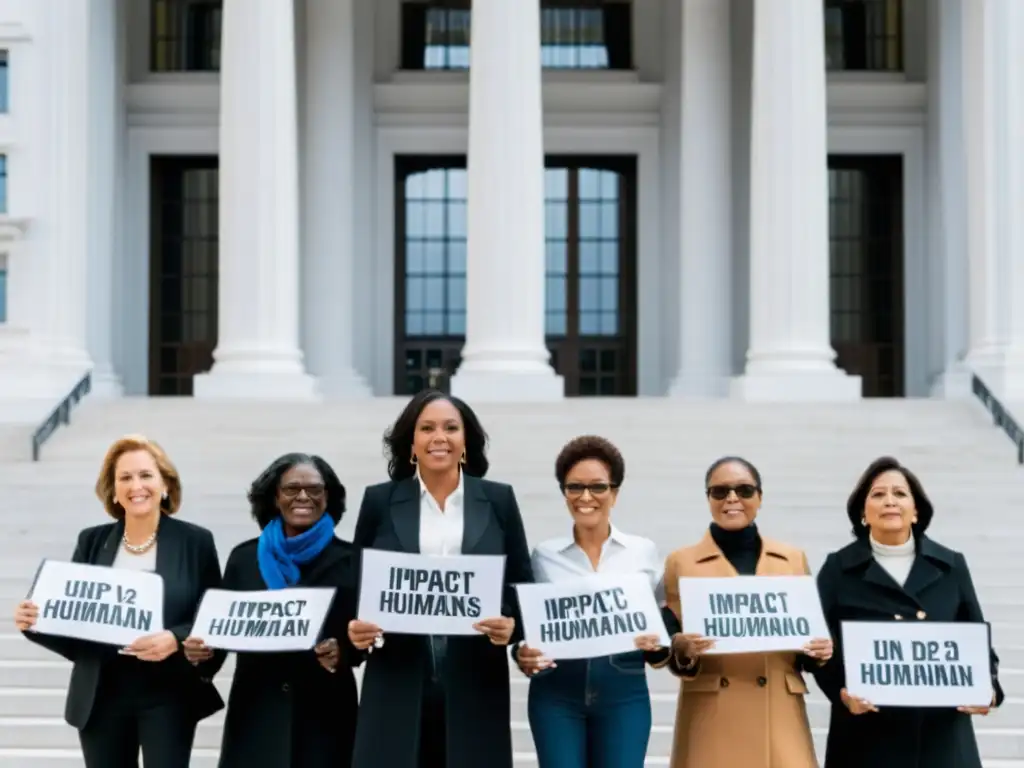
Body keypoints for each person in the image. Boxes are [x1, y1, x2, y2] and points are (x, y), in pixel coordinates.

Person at [346, 389, 534, 768]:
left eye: (451, 428)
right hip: (397, 675)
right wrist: (355, 630)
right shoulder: (380, 501)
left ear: (466, 442)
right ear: (411, 443)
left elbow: (522, 586)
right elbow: (358, 586)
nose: (439, 437)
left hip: (475, 677)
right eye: (427, 427)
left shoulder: (497, 500)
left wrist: (511, 623)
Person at [12, 434, 223, 768]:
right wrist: (36, 622)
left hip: (167, 694)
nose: (136, 485)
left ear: (165, 483)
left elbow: (213, 619)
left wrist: (176, 638)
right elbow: (75, 624)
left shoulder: (195, 541)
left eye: (145, 475)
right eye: (125, 477)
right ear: (112, 489)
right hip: (102, 694)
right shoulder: (92, 541)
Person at [813, 455, 1004, 768]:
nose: (890, 501)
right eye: (878, 494)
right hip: (866, 740)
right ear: (863, 512)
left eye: (900, 494)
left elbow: (977, 642)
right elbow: (816, 648)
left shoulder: (951, 566)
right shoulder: (838, 569)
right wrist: (842, 692)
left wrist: (989, 690)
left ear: (916, 511)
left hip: (940, 741)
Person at [184, 453, 359, 768]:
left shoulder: (351, 561)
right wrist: (202, 652)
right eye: (292, 489)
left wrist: (342, 651)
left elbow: (363, 640)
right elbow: (220, 638)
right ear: (275, 497)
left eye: (314, 489)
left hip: (326, 719)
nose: (303, 496)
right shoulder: (244, 559)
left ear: (327, 496)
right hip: (257, 715)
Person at [514, 435, 675, 768]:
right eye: (575, 487)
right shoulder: (543, 556)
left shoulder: (642, 552)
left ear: (614, 493)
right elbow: (525, 629)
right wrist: (521, 654)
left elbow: (662, 622)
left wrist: (656, 644)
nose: (586, 497)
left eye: (598, 487)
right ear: (564, 494)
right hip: (556, 693)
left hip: (624, 692)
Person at [661, 456, 832, 768]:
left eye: (744, 490)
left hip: (778, 710)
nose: (732, 499)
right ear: (708, 498)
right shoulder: (680, 562)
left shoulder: (793, 559)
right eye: (719, 491)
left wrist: (819, 651)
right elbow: (666, 641)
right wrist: (682, 649)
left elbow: (806, 640)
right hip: (711, 712)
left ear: (760, 497)